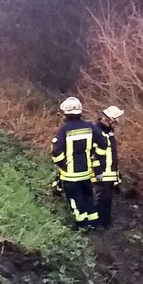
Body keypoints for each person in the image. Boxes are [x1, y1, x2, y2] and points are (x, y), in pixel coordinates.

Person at [51, 97, 106, 230]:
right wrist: (94, 156)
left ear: (65, 114)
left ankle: (81, 224)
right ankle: (93, 223)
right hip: (86, 173)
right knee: (88, 198)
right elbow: (103, 143)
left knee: (75, 201)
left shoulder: (64, 130)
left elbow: (56, 152)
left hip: (70, 175)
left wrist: (63, 165)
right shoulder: (90, 127)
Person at [93, 106, 124, 229]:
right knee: (101, 200)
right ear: (110, 119)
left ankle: (105, 224)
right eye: (115, 120)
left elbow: (112, 156)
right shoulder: (97, 131)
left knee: (107, 201)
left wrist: (116, 178)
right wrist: (98, 172)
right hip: (101, 174)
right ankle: (96, 225)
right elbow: (94, 155)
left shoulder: (109, 133)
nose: (116, 123)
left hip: (109, 174)